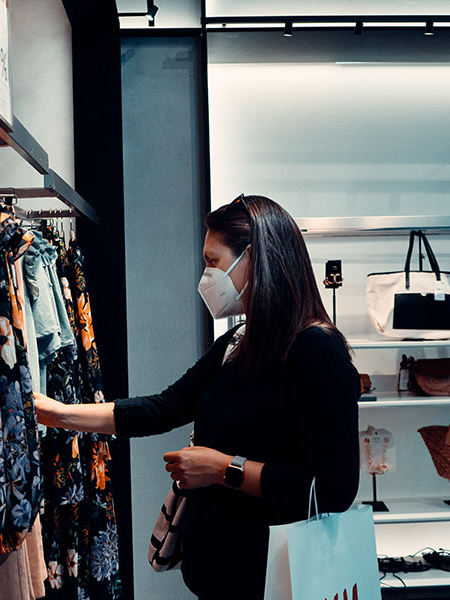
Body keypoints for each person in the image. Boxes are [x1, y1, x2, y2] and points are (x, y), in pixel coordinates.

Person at [33, 195, 360, 600]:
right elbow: (163, 407)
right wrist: (59, 414)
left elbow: (334, 489)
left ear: (253, 258)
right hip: (221, 574)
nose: (206, 275)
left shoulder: (316, 349)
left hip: (277, 579)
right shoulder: (239, 342)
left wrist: (223, 468)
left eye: (213, 261)